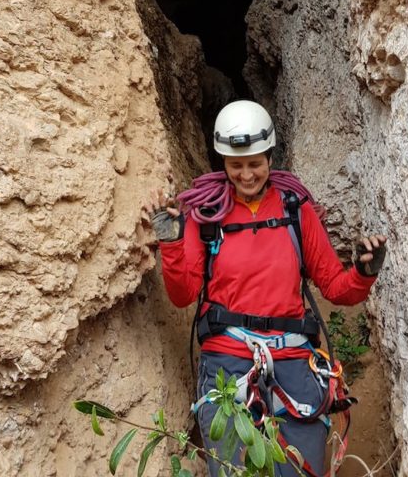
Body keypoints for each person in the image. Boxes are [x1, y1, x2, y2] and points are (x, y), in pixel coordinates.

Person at [144, 100, 387, 477]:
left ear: (270, 156)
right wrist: (172, 243)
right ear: (222, 162)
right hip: (227, 360)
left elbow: (337, 290)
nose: (246, 174)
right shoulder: (206, 216)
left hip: (293, 359)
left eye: (255, 163)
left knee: (300, 470)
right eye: (235, 165)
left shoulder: (295, 209)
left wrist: (363, 274)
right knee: (230, 469)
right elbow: (183, 295)